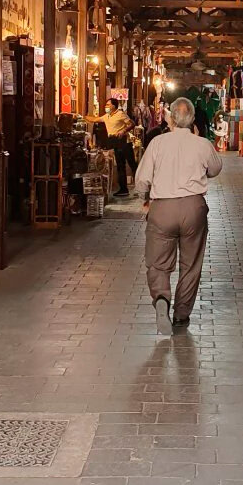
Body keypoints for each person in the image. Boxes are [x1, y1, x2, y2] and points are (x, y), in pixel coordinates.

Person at [133, 97, 223, 336]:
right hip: (193, 208)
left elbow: (142, 179)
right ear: (192, 119)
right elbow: (215, 169)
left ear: (170, 118)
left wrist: (144, 198)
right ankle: (181, 315)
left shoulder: (157, 143)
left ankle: (161, 298)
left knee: (158, 262)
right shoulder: (202, 144)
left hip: (162, 208)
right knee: (190, 264)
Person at [90, 97, 137, 197]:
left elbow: (132, 123)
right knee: (120, 165)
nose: (106, 106)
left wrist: (123, 131)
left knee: (132, 164)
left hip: (125, 141)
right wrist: (82, 117)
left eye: (108, 105)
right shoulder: (107, 116)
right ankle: (123, 189)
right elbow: (94, 119)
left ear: (113, 106)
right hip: (115, 142)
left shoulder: (120, 114)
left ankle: (141, 186)